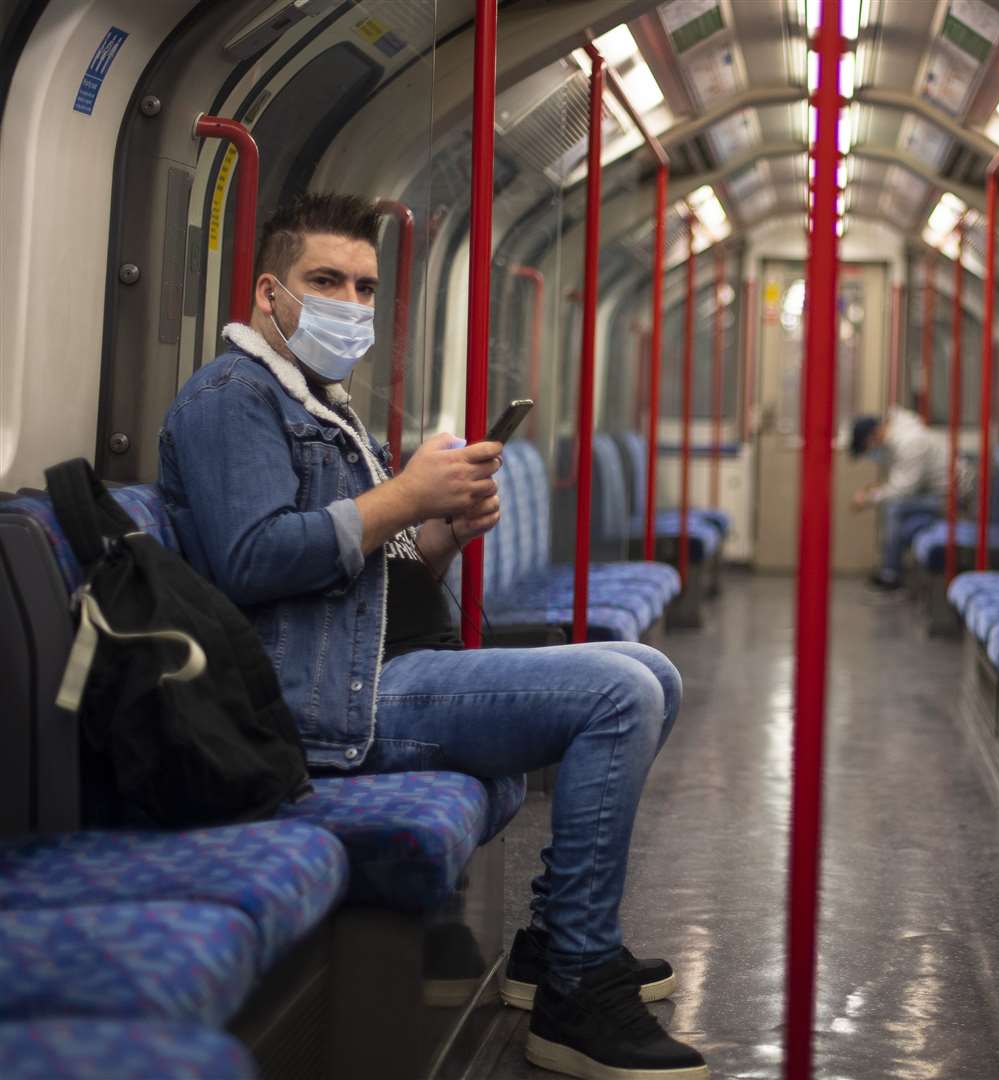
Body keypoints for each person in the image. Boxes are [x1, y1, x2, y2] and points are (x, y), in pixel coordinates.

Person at [157, 193, 706, 1079]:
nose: (351, 303)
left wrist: (443, 530)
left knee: (651, 667)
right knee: (620, 690)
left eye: (366, 287)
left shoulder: (321, 402)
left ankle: (550, 947)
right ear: (269, 293)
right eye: (325, 281)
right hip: (322, 702)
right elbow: (251, 557)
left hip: (378, 668)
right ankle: (573, 984)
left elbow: (383, 564)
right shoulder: (232, 398)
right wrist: (405, 496)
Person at [850, 407, 973, 589]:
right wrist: (878, 490)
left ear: (873, 436)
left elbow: (903, 490)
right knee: (905, 528)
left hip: (953, 498)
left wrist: (869, 498)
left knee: (895, 508)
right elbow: (904, 481)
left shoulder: (909, 442)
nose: (872, 452)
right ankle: (892, 572)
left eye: (868, 447)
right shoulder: (899, 438)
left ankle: (891, 573)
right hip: (934, 494)